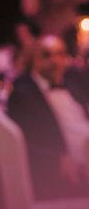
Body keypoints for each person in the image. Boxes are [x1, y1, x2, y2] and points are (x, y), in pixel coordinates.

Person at [8, 34, 89, 199]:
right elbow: (25, 144)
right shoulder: (23, 95)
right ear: (34, 60)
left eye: (60, 54)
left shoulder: (74, 84)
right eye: (46, 55)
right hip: (69, 176)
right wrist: (57, 161)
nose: (55, 61)